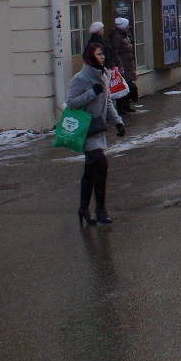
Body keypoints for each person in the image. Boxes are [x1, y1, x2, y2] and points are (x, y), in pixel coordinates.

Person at [66, 39, 124, 225]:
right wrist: (92, 92)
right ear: (90, 57)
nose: (102, 57)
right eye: (99, 54)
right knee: (101, 163)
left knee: (91, 170)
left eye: (103, 54)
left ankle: (84, 208)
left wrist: (118, 123)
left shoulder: (104, 76)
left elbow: (107, 104)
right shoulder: (80, 78)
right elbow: (71, 103)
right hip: (85, 130)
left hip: (98, 129)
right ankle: (100, 208)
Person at [109, 16, 138, 115]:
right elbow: (115, 52)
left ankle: (126, 106)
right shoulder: (117, 37)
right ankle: (122, 107)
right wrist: (120, 65)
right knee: (122, 87)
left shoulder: (123, 35)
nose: (128, 27)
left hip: (127, 64)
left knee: (126, 86)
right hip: (123, 66)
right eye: (126, 25)